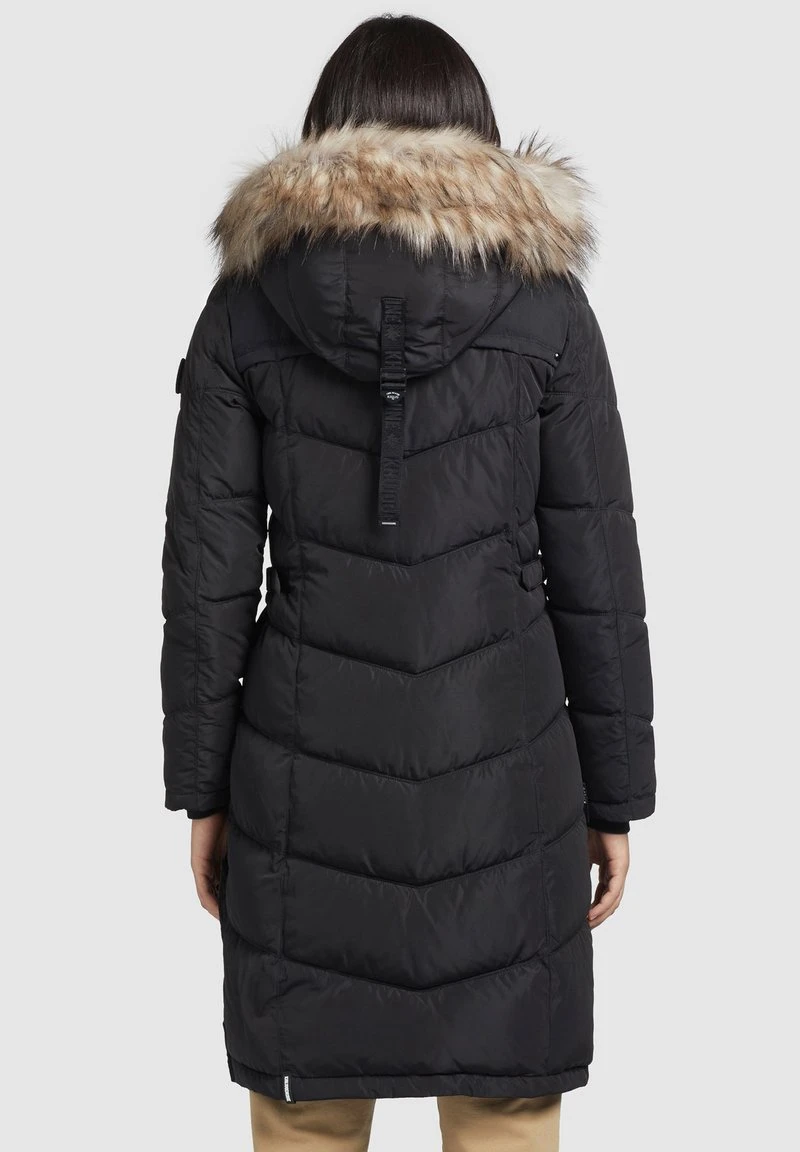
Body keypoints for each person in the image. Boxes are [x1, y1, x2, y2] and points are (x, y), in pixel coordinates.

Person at [161, 14, 655, 1151]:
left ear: (325, 131)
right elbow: (598, 567)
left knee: (308, 1122)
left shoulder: (248, 305)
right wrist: (613, 797)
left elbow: (206, 578)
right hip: (510, 789)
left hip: (301, 784)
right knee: (504, 1116)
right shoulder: (546, 305)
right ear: (475, 132)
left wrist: (203, 791)